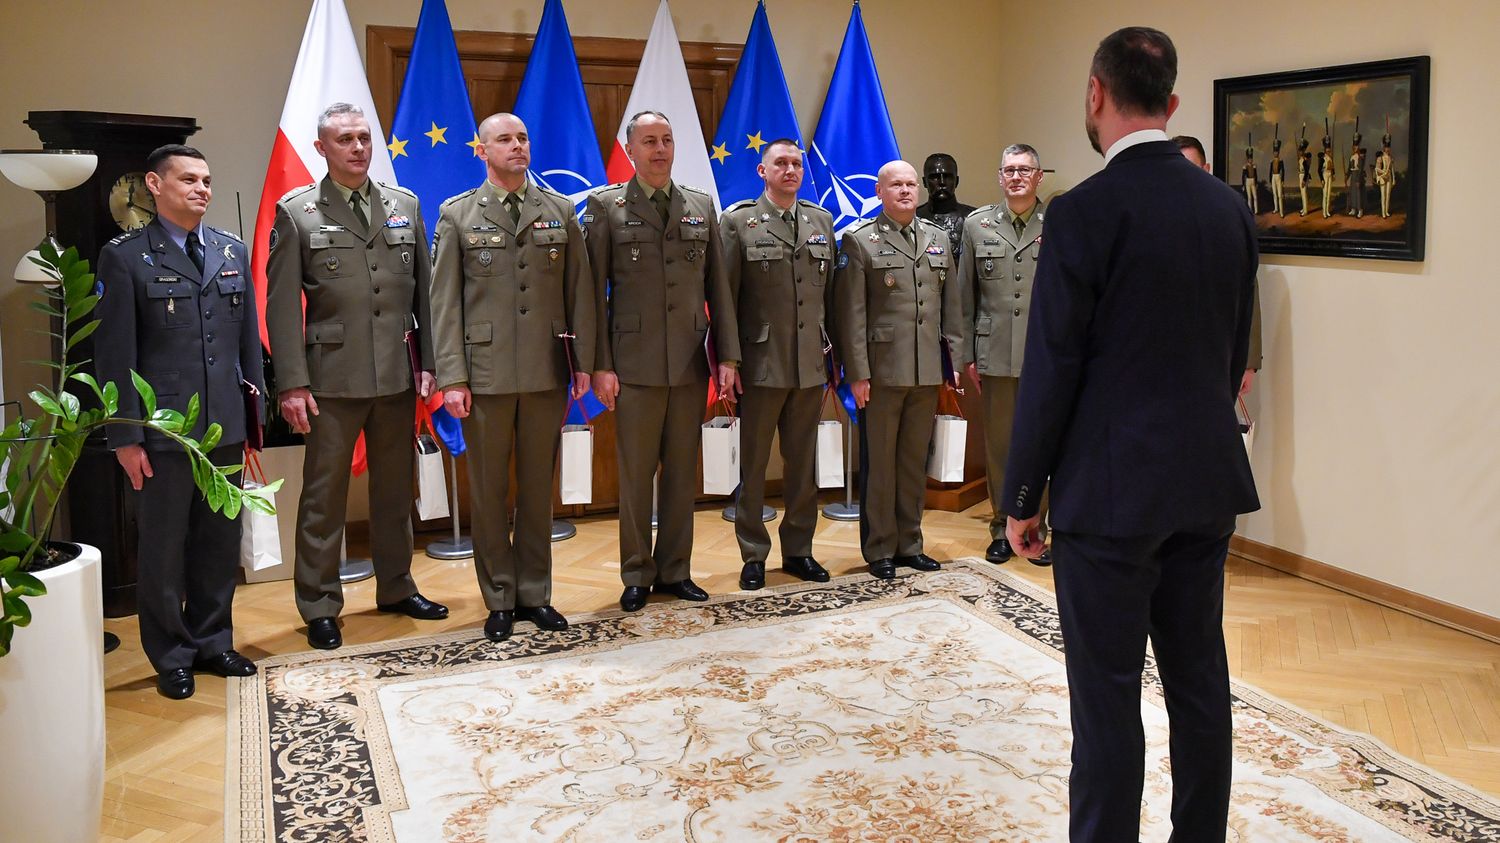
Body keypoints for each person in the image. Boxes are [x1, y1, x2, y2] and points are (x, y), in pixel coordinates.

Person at [1003, 27, 1260, 841]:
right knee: (1199, 685)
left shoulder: (1081, 212)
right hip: (1205, 484)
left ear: (1095, 93)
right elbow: (1231, 355)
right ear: (1172, 102)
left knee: (1108, 700)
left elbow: (1052, 368)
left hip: (1109, 497)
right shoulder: (1228, 208)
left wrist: (1022, 495)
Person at [266, 102, 448, 651]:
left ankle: (397, 586)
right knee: (324, 497)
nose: (358, 148)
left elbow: (425, 295)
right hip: (330, 381)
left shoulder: (403, 205)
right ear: (321, 148)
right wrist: (291, 383)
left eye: (364, 138)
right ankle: (320, 603)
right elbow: (281, 307)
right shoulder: (298, 212)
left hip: (395, 374)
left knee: (394, 491)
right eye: (345, 139)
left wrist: (431, 363)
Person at [94, 144, 265, 699]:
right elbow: (114, 357)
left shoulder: (230, 249)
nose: (202, 189)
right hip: (162, 430)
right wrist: (125, 437)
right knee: (164, 548)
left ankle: (214, 641)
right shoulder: (125, 258)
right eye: (189, 179)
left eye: (207, 180)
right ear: (155, 185)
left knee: (219, 541)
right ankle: (172, 655)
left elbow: (247, 347)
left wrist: (253, 425)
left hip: (225, 425)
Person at [429, 113, 593, 642]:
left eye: (523, 137)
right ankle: (499, 596)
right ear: (482, 150)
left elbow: (579, 293)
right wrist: (452, 377)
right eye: (504, 139)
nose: (517, 146)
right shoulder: (457, 214)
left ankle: (536, 593)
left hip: (546, 369)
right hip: (484, 375)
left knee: (538, 489)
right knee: (489, 489)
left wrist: (582, 362)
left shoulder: (559, 210)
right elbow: (444, 305)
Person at [584, 111, 740, 613]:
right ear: (631, 150)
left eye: (667, 140)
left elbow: (719, 288)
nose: (660, 149)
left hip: (690, 362)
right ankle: (636, 572)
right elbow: (592, 294)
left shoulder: (699, 204)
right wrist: (601, 364)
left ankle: (675, 569)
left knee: (680, 473)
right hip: (633, 364)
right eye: (649, 141)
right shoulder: (606, 206)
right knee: (635, 475)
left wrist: (727, 356)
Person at [719, 139, 836, 591]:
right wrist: (729, 359)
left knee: (803, 466)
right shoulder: (739, 222)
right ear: (762, 171)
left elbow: (831, 297)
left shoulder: (820, 221)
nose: (790, 170)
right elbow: (725, 300)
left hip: (809, 364)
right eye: (780, 163)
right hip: (760, 363)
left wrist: (835, 359)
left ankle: (799, 550)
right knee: (752, 467)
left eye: (796, 164)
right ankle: (753, 553)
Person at [833, 160, 954, 580]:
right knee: (881, 464)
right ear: (880, 192)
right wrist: (857, 373)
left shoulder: (937, 239)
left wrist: (952, 363)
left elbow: (951, 307)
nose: (905, 191)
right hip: (881, 372)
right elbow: (851, 315)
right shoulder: (860, 240)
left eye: (910, 184)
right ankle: (880, 547)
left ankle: (910, 543)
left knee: (913, 462)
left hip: (926, 370)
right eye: (896, 185)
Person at [952, 143, 1053, 566]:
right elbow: (964, 296)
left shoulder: (1059, 224)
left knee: (1043, 444)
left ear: (1038, 177)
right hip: (994, 352)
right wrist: (965, 356)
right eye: (1009, 170)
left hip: (1046, 355)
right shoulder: (977, 225)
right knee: (999, 446)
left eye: (1024, 170)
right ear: (999, 177)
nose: (1016, 177)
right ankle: (1001, 526)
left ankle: (1036, 527)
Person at [1173, 135, 1265, 395]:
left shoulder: (1228, 216)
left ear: (1206, 169)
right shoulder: (1153, 220)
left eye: (1192, 169)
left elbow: (1249, 289)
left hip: (1218, 357)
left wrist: (1248, 363)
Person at [914, 152, 977, 256]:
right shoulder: (913, 219)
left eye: (947, 177)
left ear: (957, 181)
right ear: (925, 182)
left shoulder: (974, 218)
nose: (942, 182)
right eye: (934, 177)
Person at [1375, 139, 1396, 218]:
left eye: (1388, 147)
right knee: (1383, 195)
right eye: (1386, 147)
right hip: (1382, 177)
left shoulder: (1390, 158)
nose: (1387, 149)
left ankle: (1386, 211)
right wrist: (1383, 171)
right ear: (1384, 148)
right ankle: (1383, 212)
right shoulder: (1380, 158)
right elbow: (1377, 169)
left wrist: (1393, 179)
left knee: (1388, 195)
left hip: (1389, 177)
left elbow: (1392, 169)